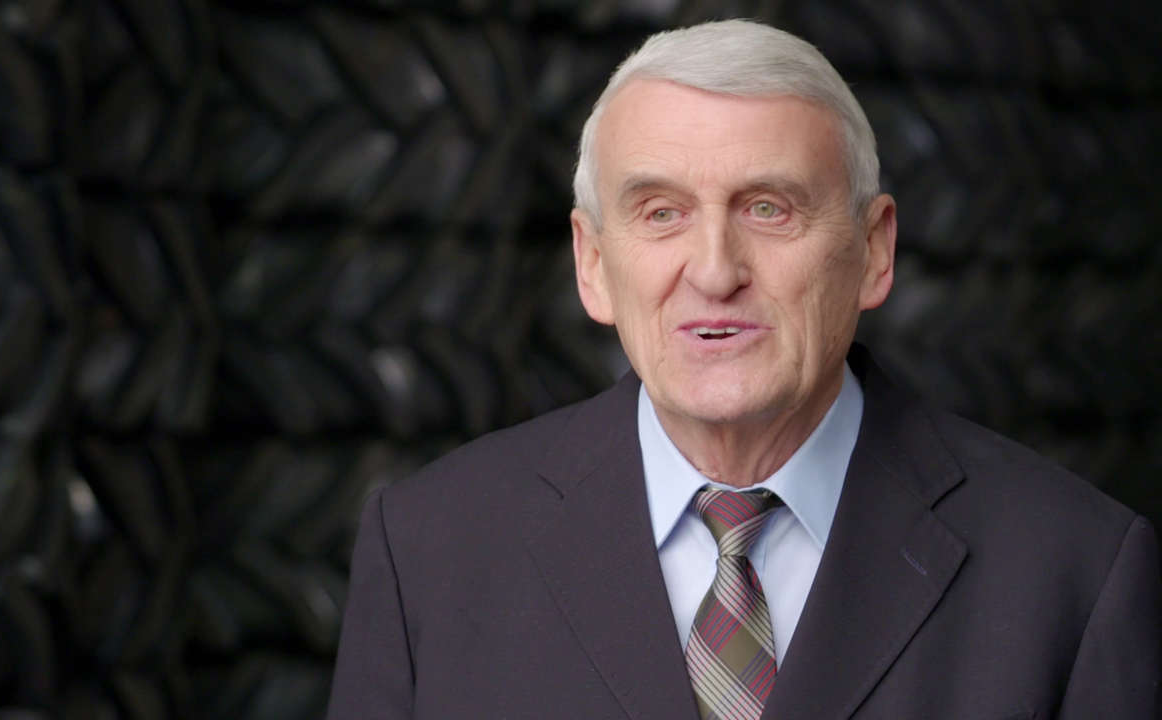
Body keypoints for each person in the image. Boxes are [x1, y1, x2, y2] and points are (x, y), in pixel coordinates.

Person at [326, 19, 1160, 720]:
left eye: (769, 208)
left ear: (874, 250)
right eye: (662, 213)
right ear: (592, 264)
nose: (716, 269)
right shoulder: (428, 550)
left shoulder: (1074, 571)